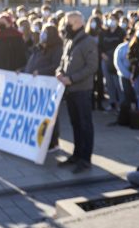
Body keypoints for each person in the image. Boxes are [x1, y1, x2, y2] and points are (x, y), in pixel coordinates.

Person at [55, 11, 99, 173]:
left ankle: (85, 159)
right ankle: (77, 154)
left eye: (68, 22)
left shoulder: (87, 42)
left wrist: (72, 78)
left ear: (78, 23)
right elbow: (62, 61)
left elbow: (92, 66)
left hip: (82, 89)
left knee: (85, 124)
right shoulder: (69, 40)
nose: (66, 25)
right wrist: (59, 72)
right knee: (75, 124)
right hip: (71, 90)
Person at [25, 24, 65, 151]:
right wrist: (21, 70)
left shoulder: (57, 48)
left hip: (48, 85)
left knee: (50, 114)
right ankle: (40, 139)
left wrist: (40, 72)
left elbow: (56, 66)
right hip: (36, 85)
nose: (42, 35)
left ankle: (53, 142)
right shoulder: (38, 48)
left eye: (45, 33)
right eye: (42, 32)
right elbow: (31, 64)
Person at [99, 15, 125, 111]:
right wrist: (102, 54)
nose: (111, 21)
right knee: (109, 82)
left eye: (114, 19)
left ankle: (121, 103)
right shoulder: (103, 32)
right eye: (110, 19)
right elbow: (100, 45)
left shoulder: (121, 32)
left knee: (117, 82)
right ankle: (112, 102)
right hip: (105, 59)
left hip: (116, 60)